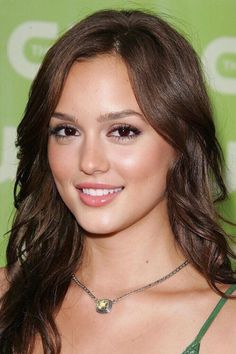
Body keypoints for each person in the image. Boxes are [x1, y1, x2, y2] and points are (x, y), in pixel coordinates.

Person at [0, 9, 235, 354]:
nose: (90, 162)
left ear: (181, 143)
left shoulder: (228, 323)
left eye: (123, 131)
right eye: (67, 131)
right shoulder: (6, 298)